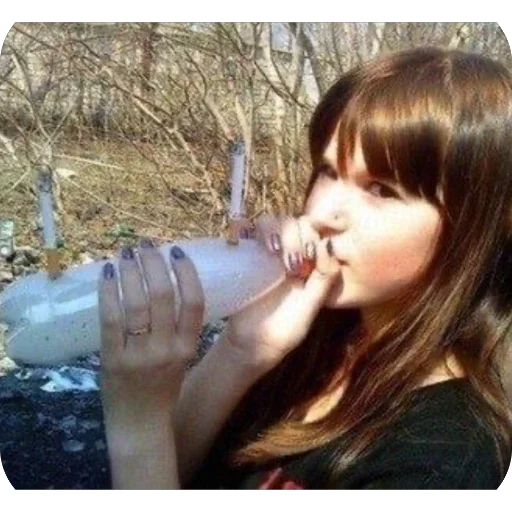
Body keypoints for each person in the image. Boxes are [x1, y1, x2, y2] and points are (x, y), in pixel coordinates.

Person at [97, 46, 512, 495]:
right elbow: (174, 472)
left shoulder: (445, 462)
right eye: (328, 171)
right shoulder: (312, 342)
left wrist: (137, 424)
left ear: (477, 226)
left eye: (381, 189)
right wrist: (241, 351)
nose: (323, 212)